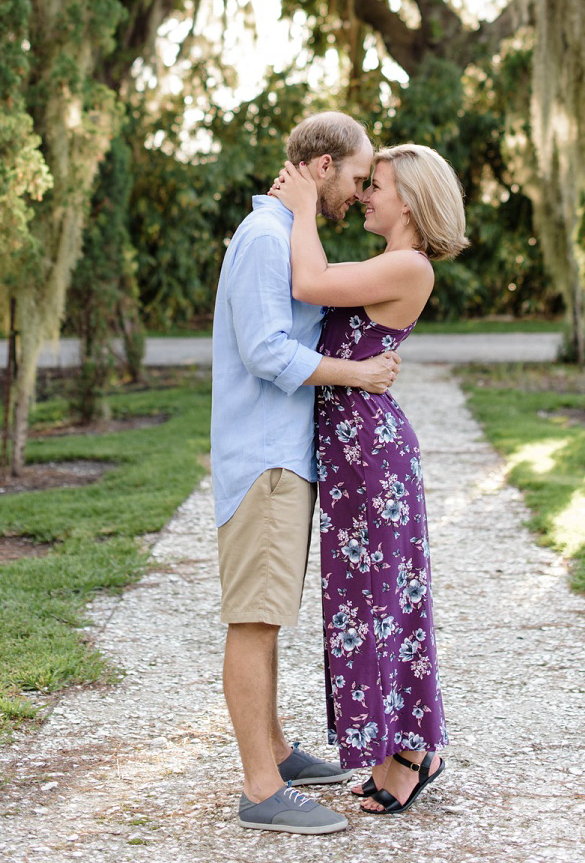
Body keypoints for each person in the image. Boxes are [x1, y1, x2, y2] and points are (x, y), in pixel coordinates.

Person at [210, 111, 403, 836]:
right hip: (265, 459)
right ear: (323, 168)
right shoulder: (265, 238)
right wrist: (358, 374)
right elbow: (265, 350)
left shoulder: (283, 234)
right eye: (356, 179)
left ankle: (279, 753)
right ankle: (262, 788)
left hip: (283, 458)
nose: (359, 196)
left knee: (269, 617)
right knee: (255, 621)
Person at [271, 143, 468, 817]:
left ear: (408, 200)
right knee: (368, 604)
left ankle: (414, 753)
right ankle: (398, 747)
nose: (363, 196)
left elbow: (310, 283)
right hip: (355, 451)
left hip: (372, 454)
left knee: (384, 604)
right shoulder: (389, 262)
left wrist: (301, 207)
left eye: (374, 185)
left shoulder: (408, 266)